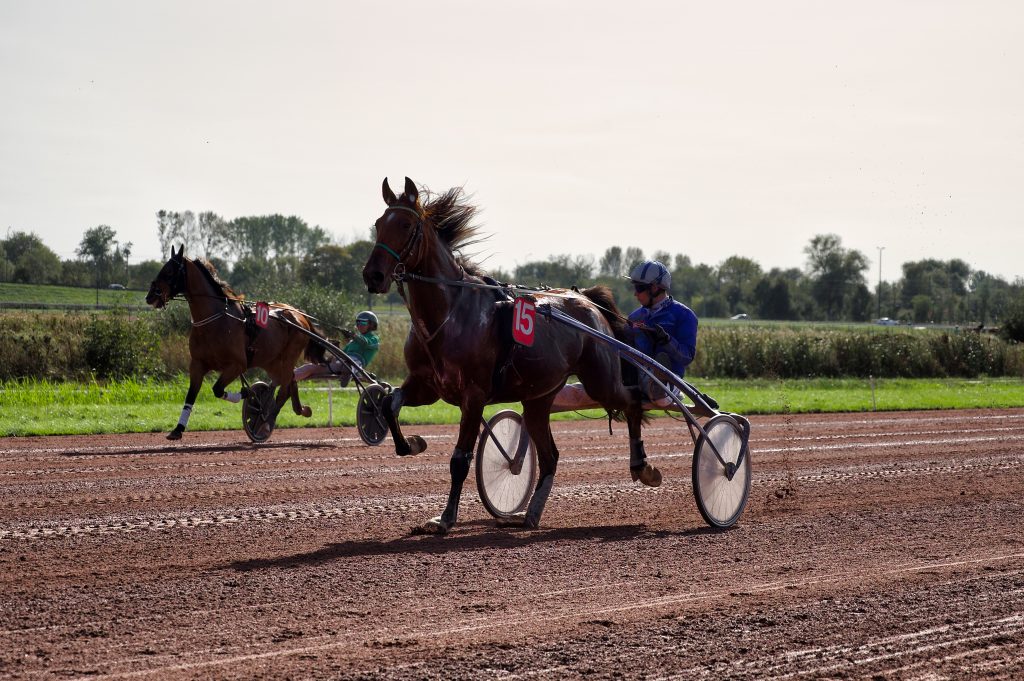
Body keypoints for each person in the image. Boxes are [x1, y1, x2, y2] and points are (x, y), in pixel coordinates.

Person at [624, 259, 698, 487]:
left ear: (655, 288)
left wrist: (666, 341)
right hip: (635, 378)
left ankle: (657, 376)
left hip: (669, 382)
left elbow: (687, 356)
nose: (635, 294)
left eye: (639, 288)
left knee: (656, 382)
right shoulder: (635, 317)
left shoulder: (684, 316)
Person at [294, 310, 381, 386]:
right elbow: (342, 354)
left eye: (363, 322)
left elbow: (365, 343)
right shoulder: (352, 342)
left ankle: (348, 372)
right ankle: (289, 376)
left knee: (351, 362)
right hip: (339, 363)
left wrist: (353, 335)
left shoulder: (374, 339)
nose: (359, 325)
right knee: (310, 367)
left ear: (371, 325)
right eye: (358, 322)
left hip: (356, 364)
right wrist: (333, 347)